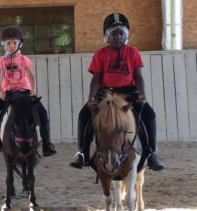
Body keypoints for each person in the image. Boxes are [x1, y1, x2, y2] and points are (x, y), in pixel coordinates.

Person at [69, 12, 165, 171]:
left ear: (126, 35)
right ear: (107, 36)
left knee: (149, 115)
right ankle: (83, 152)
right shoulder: (100, 54)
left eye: (121, 33)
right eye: (113, 34)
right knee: (84, 115)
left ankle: (151, 153)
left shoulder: (133, 52)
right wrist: (91, 97)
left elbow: (138, 76)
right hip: (105, 93)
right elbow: (96, 78)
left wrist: (142, 94)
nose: (118, 37)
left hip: (128, 93)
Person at [0, 26, 56, 155]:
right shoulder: (2, 61)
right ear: (4, 45)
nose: (12, 46)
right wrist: (1, 92)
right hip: (9, 94)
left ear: (20, 44)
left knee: (43, 112)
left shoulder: (24, 59)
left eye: (14, 43)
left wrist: (33, 90)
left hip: (25, 92)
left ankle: (47, 144)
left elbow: (31, 76)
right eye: (8, 43)